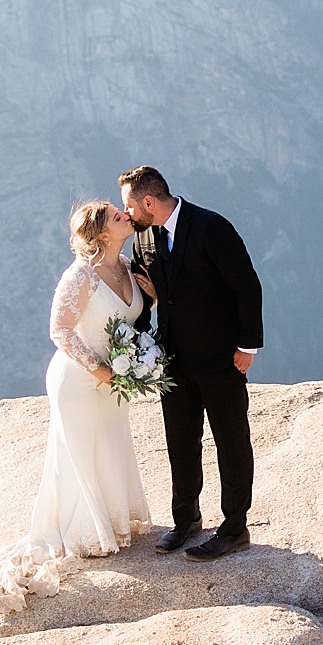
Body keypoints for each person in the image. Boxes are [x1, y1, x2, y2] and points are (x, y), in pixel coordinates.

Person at [0, 200, 155, 613]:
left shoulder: (127, 266)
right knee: (77, 454)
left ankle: (113, 522)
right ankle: (81, 533)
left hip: (114, 375)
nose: (124, 213)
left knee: (110, 444)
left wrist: (153, 301)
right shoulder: (81, 276)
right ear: (102, 233)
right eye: (114, 214)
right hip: (78, 377)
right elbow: (60, 331)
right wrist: (100, 371)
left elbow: (129, 317)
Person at [119, 165, 264, 561]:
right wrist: (142, 345)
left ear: (148, 201)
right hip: (171, 359)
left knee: (230, 440)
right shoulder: (143, 236)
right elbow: (150, 295)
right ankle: (186, 520)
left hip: (220, 357)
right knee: (180, 440)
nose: (127, 214)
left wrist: (247, 347)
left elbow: (246, 286)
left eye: (129, 206)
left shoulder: (211, 227)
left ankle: (235, 528)